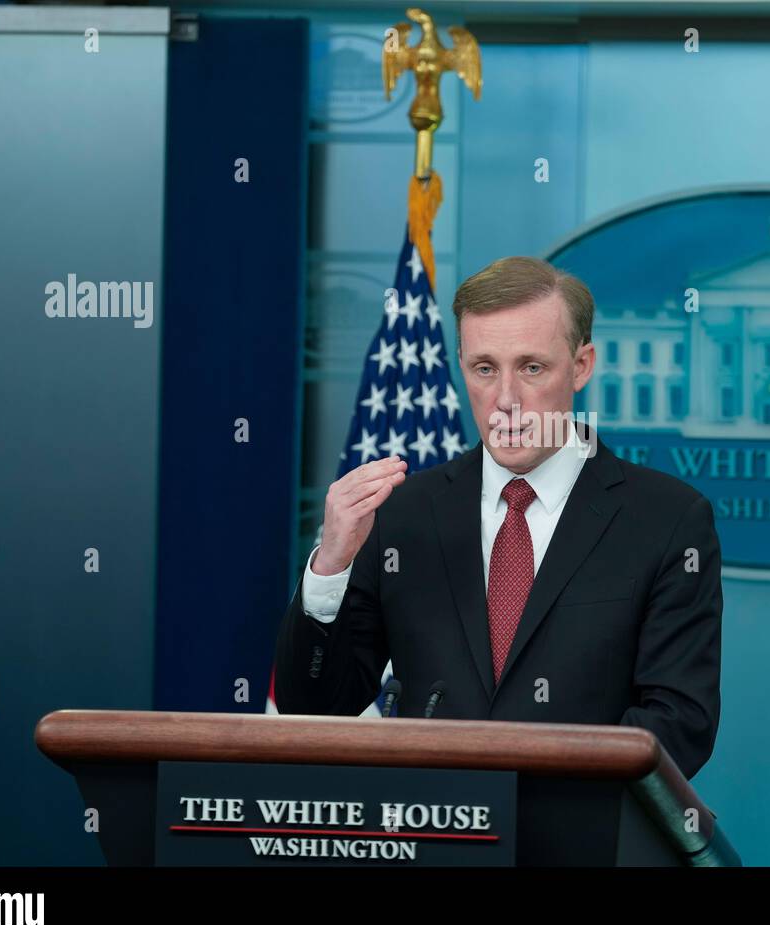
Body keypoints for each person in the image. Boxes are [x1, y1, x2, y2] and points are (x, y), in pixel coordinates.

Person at [273, 256, 722, 779]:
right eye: (484, 369)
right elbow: (314, 711)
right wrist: (330, 565)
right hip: (430, 841)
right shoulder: (401, 515)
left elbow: (680, 725)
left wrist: (523, 807)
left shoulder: (667, 520)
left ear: (581, 365)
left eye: (532, 368)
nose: (506, 401)